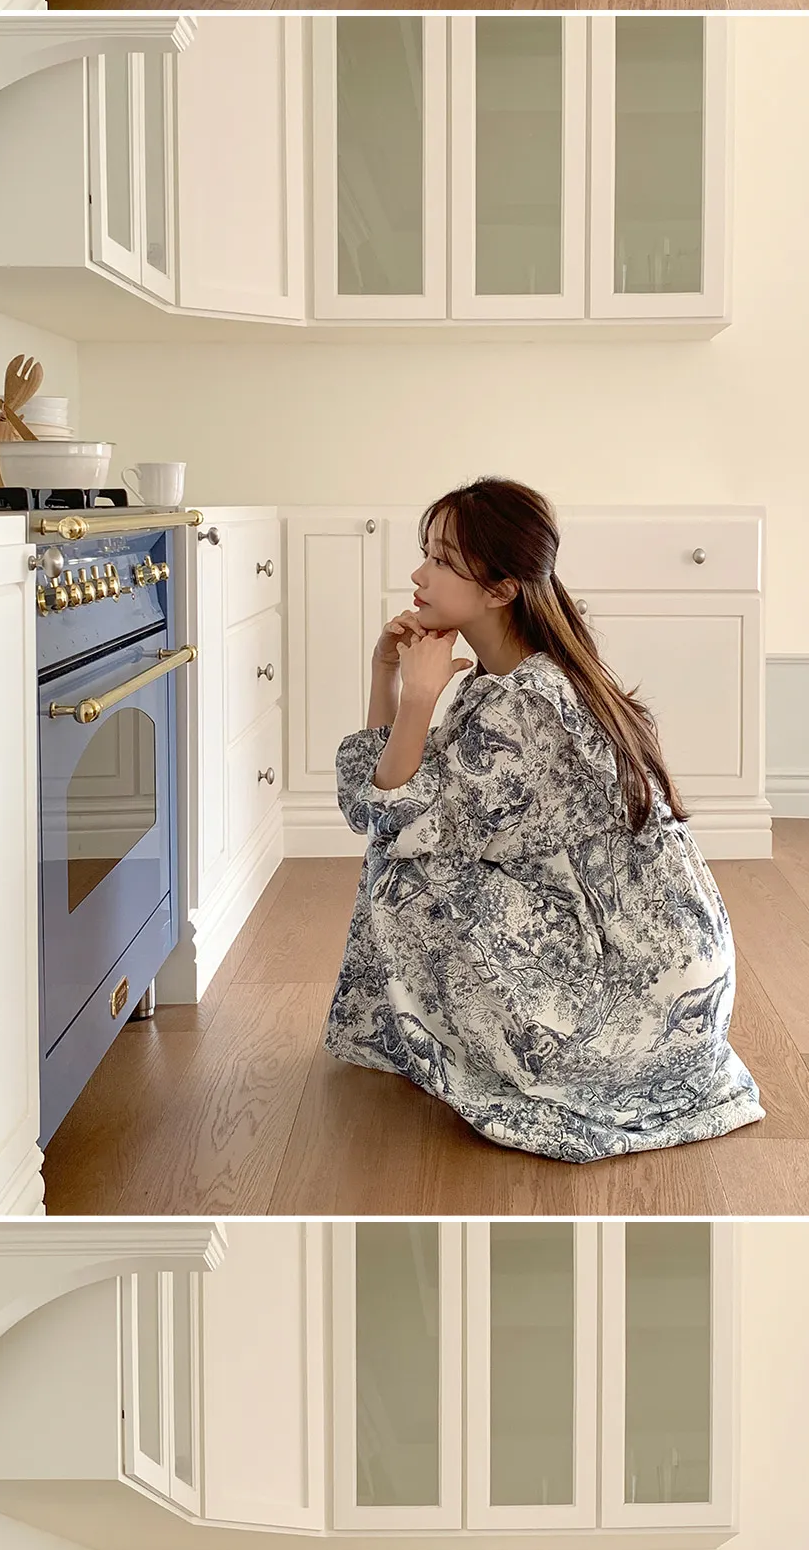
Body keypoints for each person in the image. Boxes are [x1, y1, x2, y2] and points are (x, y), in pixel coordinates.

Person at [327, 475, 763, 1164]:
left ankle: (502, 1054)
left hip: (637, 994)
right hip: (655, 967)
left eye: (441, 560)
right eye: (425, 553)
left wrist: (416, 697)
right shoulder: (513, 677)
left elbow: (391, 816)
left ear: (501, 589)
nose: (418, 574)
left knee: (407, 875)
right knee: (411, 852)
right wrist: (388, 672)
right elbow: (392, 793)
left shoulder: (526, 704)